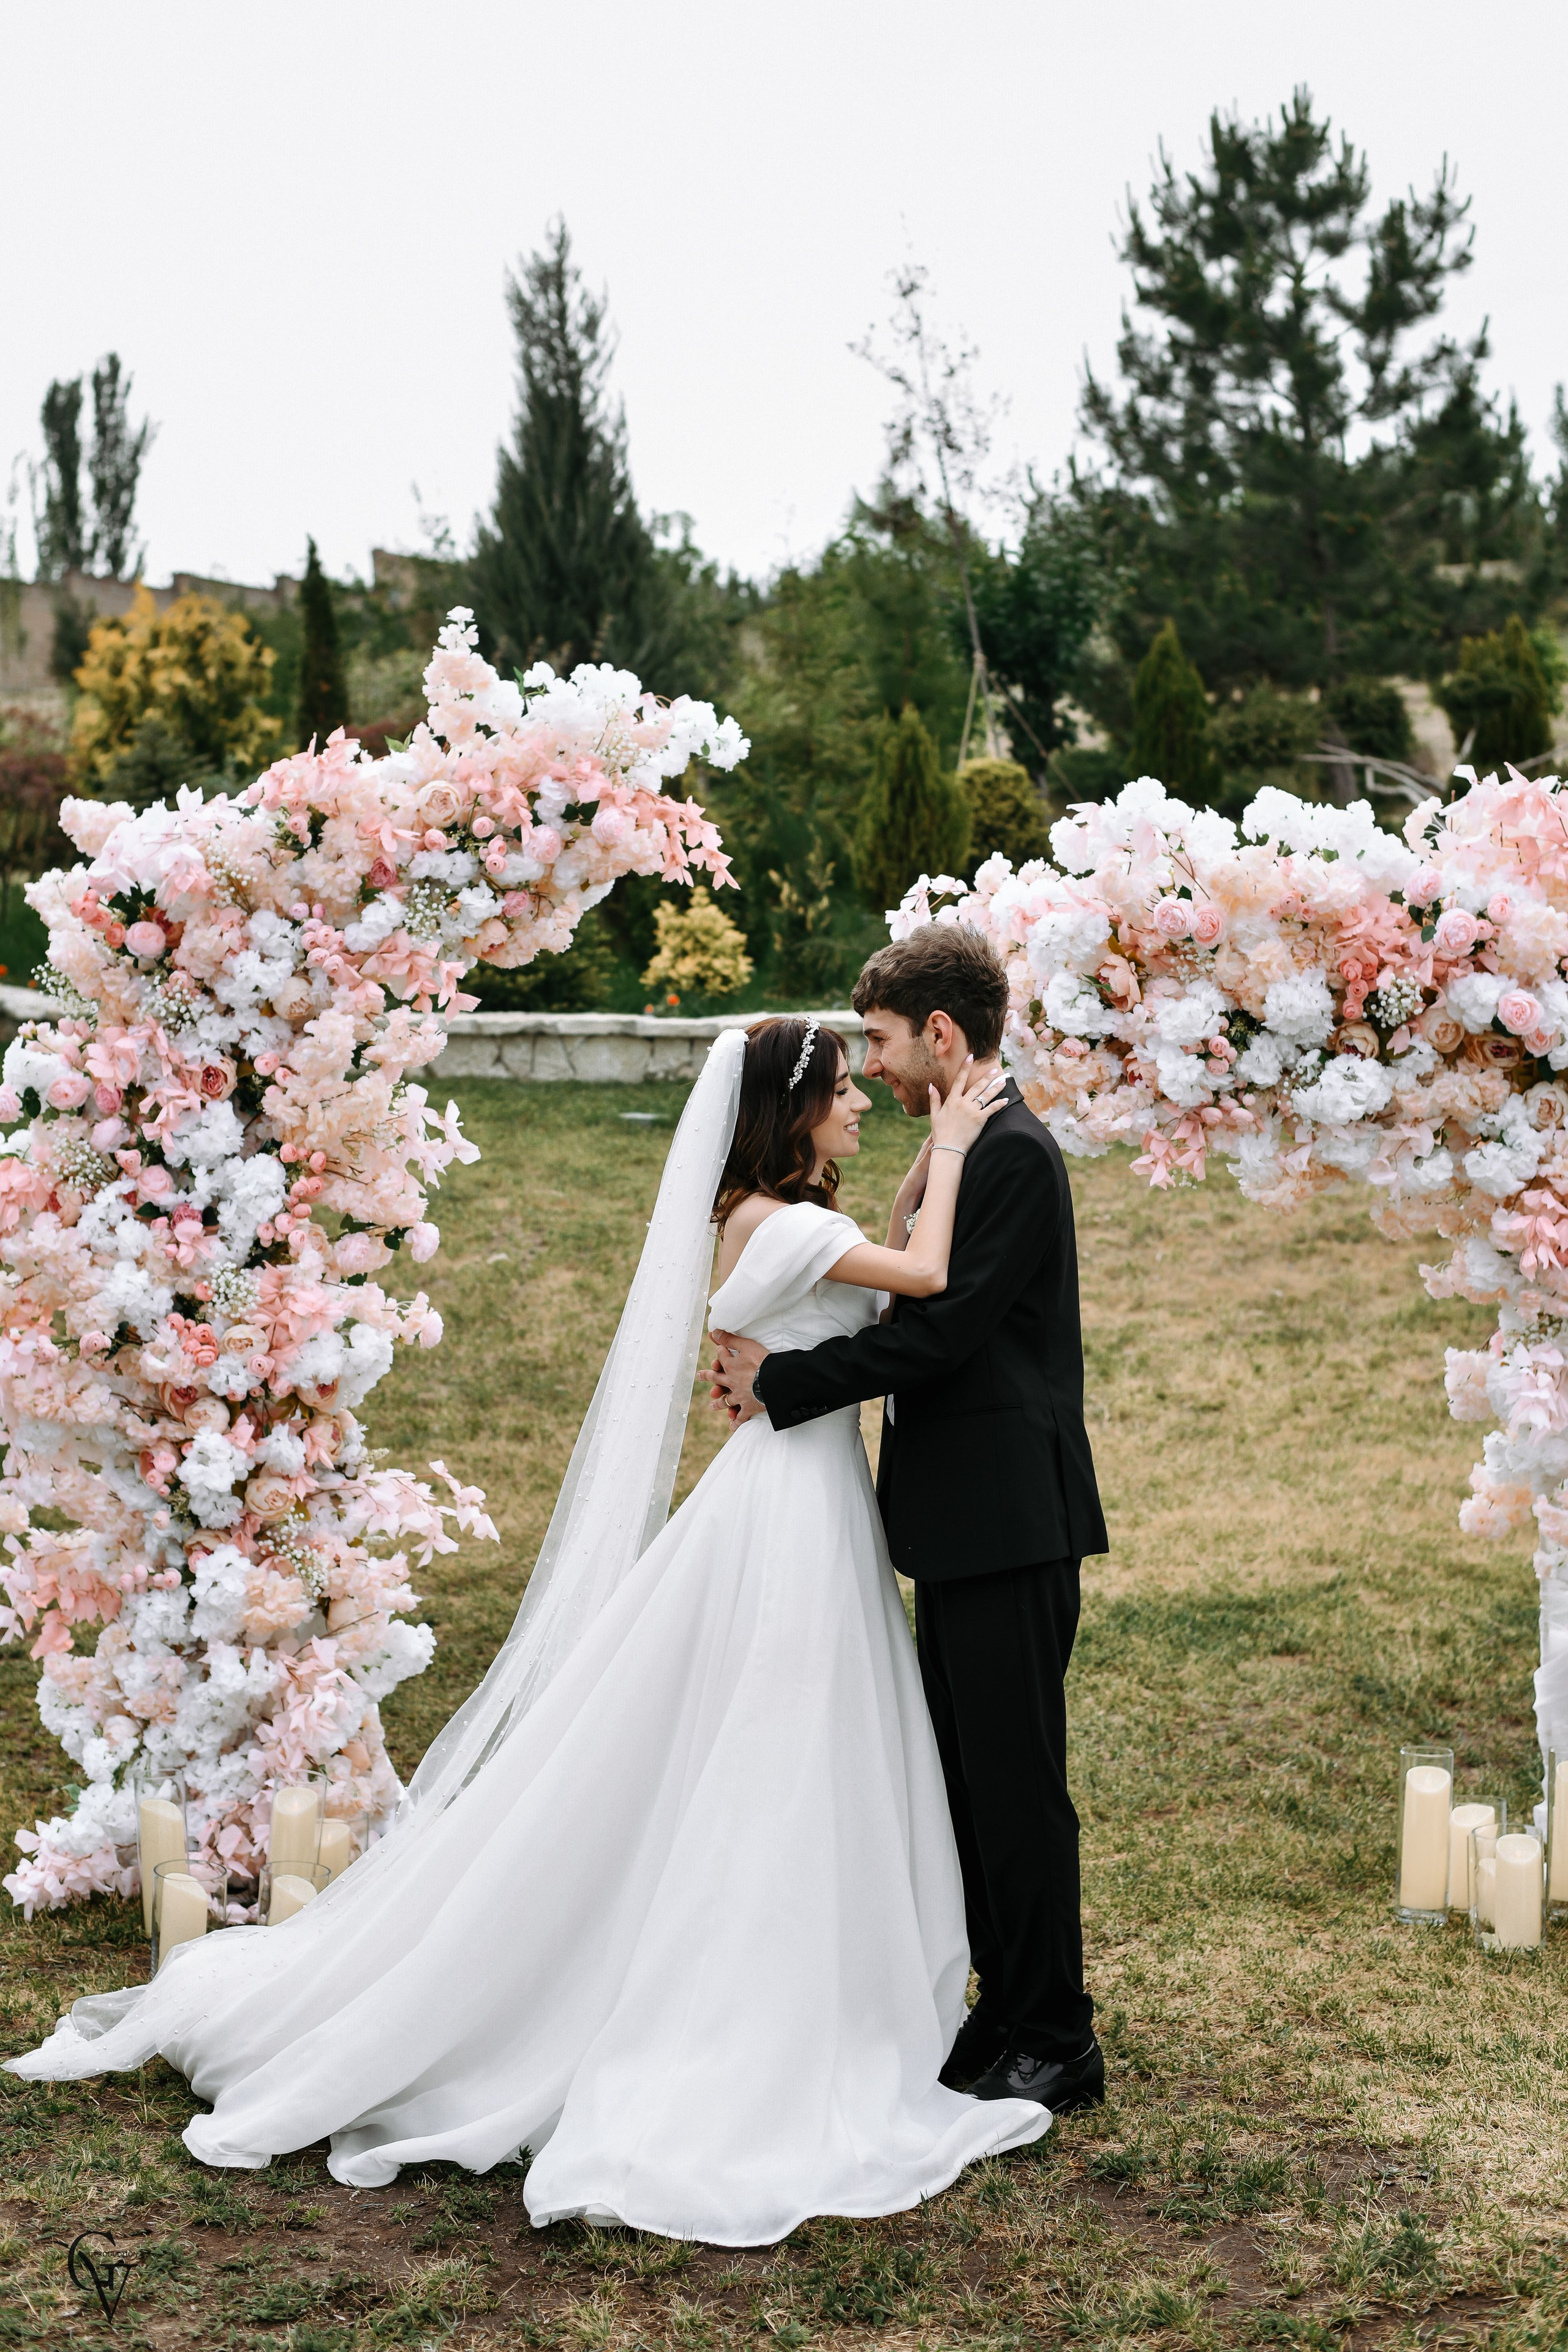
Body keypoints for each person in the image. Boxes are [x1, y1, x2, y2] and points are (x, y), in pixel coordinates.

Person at [7, 1017, 1052, 2247]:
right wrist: (952, 1144)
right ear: (794, 1109)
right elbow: (924, 1279)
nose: (862, 1104)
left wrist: (914, 1177)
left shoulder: (760, 1219)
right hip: (795, 1506)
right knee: (780, 1724)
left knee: (768, 1716)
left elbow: (849, 1279)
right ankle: (765, 1986)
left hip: (790, 1489)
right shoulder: (788, 1227)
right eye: (842, 1091)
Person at [712, 926, 1109, 2114]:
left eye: (880, 1042)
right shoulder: (963, 1150)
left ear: (940, 1034)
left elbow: (943, 1333)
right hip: (958, 1521)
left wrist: (782, 1386)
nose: (873, 1068)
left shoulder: (1013, 1158)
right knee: (967, 1781)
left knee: (1017, 1782)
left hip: (1010, 1521)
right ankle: (1001, 2004)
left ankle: (1057, 2033)